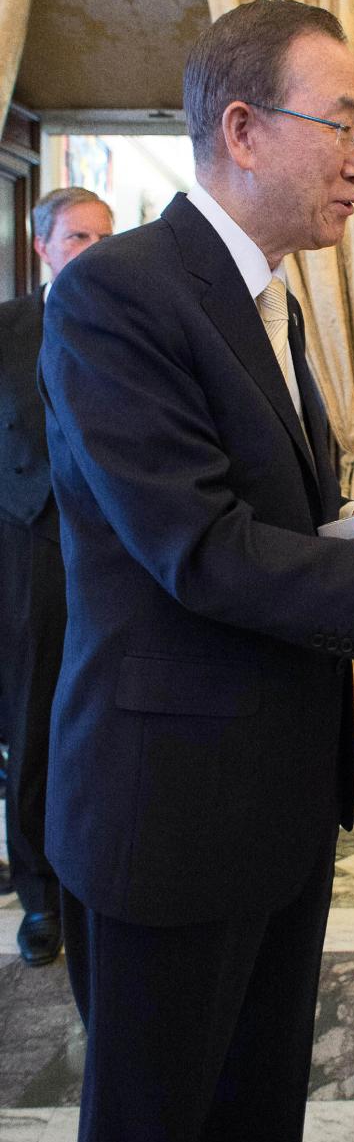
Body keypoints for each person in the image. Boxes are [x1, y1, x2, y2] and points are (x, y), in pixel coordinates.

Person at [39, 0, 354, 1142]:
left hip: (268, 802)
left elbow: (258, 529)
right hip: (168, 815)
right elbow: (196, 551)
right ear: (246, 129)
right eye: (344, 123)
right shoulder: (118, 295)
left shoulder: (275, 302)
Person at [0, 187, 114, 966]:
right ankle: (40, 896)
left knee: (108, 717)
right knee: (35, 724)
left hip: (114, 550)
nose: (94, 251)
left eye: (106, 237)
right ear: (42, 246)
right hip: (31, 548)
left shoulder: (130, 327)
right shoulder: (5, 329)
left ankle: (99, 877)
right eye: (78, 237)